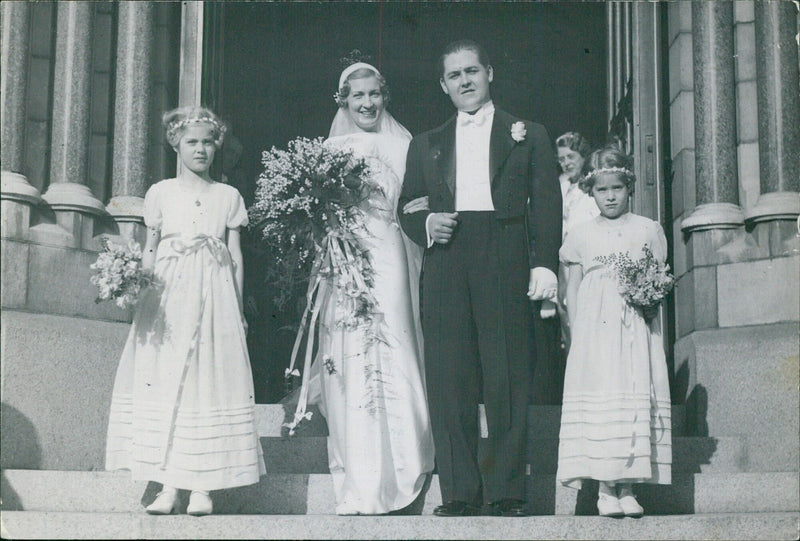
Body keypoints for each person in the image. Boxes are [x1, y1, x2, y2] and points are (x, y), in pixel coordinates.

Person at [397, 40, 562, 517]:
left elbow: (547, 203)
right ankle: (461, 494)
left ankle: (508, 490)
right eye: (455, 75)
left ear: (489, 73)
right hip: (447, 257)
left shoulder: (528, 134)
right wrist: (427, 225)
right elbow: (406, 206)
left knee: (506, 371)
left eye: (472, 71)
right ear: (443, 85)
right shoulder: (425, 143)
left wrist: (544, 262)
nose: (465, 81)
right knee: (450, 377)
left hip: (505, 250)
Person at [105, 107, 266, 516]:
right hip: (169, 296)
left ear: (218, 147)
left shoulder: (228, 196)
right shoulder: (161, 192)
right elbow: (152, 248)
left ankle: (203, 487)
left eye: (208, 142)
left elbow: (235, 255)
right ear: (176, 144)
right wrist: (136, 287)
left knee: (206, 381)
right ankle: (168, 485)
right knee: (166, 379)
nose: (201, 149)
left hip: (214, 295)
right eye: (192, 141)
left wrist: (238, 308)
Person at [304, 61, 434, 515]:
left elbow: (417, 203)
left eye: (373, 94)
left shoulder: (405, 144)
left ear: (385, 95)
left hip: (390, 251)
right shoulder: (330, 148)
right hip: (346, 257)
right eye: (356, 96)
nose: (366, 103)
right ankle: (360, 473)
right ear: (344, 101)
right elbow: (317, 216)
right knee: (351, 348)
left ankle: (406, 459)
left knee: (395, 339)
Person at [556, 146, 672, 517]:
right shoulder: (581, 234)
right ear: (591, 192)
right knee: (603, 394)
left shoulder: (647, 230)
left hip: (634, 328)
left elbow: (657, 278)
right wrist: (575, 329)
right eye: (602, 190)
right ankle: (606, 488)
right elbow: (572, 287)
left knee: (633, 391)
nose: (610, 196)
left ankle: (629, 486)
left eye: (617, 188)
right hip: (596, 332)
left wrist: (650, 299)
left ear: (629, 188)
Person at [554, 131, 599, 350]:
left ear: (582, 155)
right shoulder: (561, 188)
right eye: (561, 159)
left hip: (588, 261)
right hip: (565, 263)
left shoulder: (593, 188)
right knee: (568, 324)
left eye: (570, 157)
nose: (566, 163)